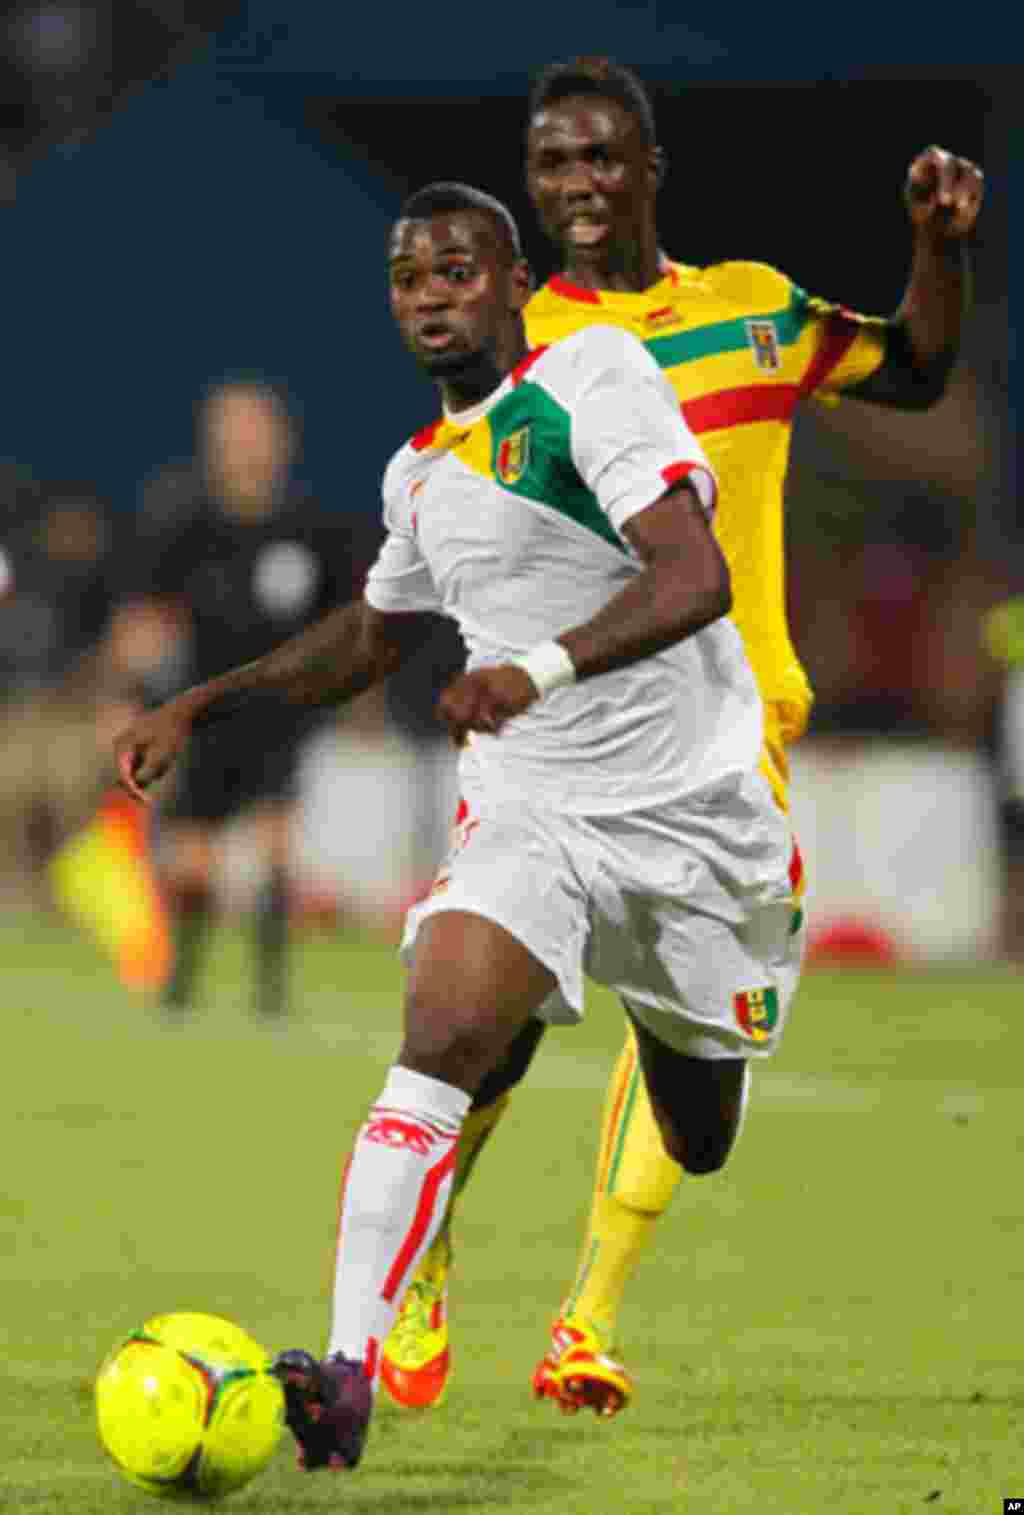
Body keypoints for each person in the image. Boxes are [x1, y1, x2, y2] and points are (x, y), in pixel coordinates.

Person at [114, 183, 804, 1473]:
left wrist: (531, 668)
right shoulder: (419, 477)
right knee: (437, 1038)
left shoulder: (592, 376)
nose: (431, 295)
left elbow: (694, 575)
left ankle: (675, 1029)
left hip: (697, 821)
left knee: (697, 1133)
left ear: (509, 281)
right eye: (408, 277)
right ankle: (350, 1367)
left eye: (455, 270)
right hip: (534, 805)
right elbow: (367, 638)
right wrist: (202, 702)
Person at [382, 56, 985, 1417]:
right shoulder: (512, 338)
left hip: (729, 740)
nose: (577, 188)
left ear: (649, 170)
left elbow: (917, 363)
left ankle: (582, 1323)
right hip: (556, 732)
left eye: (600, 159)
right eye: (551, 167)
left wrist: (937, 251)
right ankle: (423, 1256)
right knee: (503, 1014)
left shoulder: (756, 313)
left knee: (693, 1059)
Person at [119, 379, 374, 1018]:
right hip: (199, 714)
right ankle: (180, 989)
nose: (242, 442)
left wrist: (348, 689)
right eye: (230, 429)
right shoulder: (184, 519)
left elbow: (347, 622)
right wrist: (130, 698)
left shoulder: (311, 525)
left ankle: (270, 997)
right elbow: (146, 616)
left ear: (281, 440)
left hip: (279, 714)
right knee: (190, 863)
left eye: (254, 428)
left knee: (273, 847)